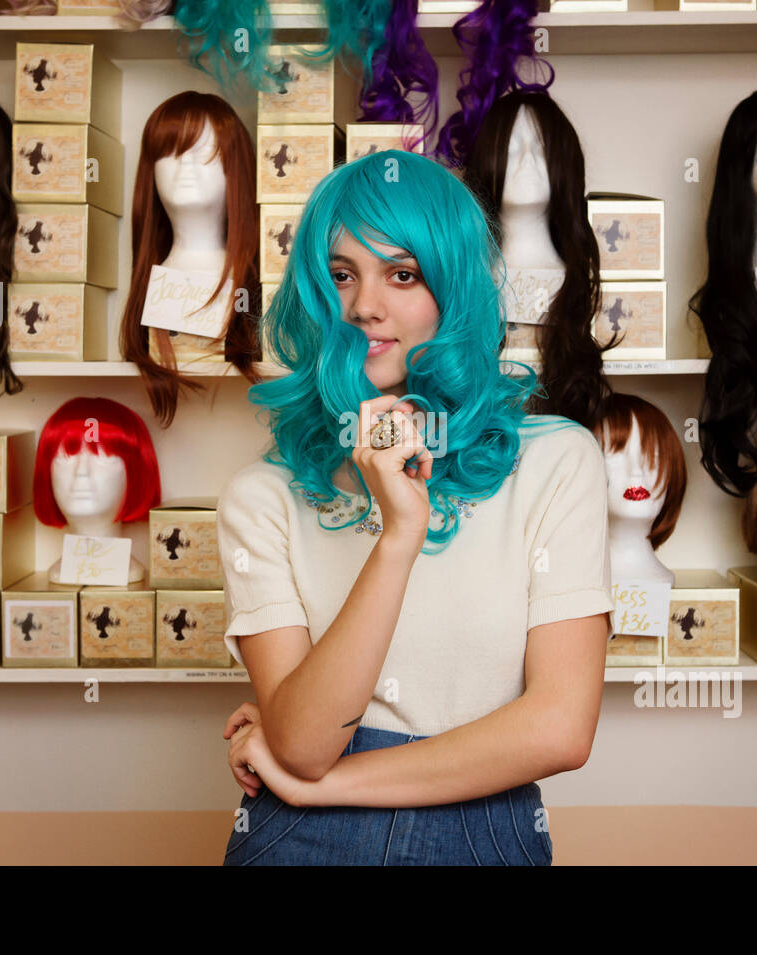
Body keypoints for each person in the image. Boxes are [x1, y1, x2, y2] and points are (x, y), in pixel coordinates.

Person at [217, 149, 612, 866]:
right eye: (341, 275)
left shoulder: (555, 461)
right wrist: (398, 534)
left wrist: (324, 787)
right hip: (296, 841)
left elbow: (559, 728)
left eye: (403, 274)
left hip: (482, 825)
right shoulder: (262, 496)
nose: (366, 304)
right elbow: (305, 744)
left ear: (452, 289)